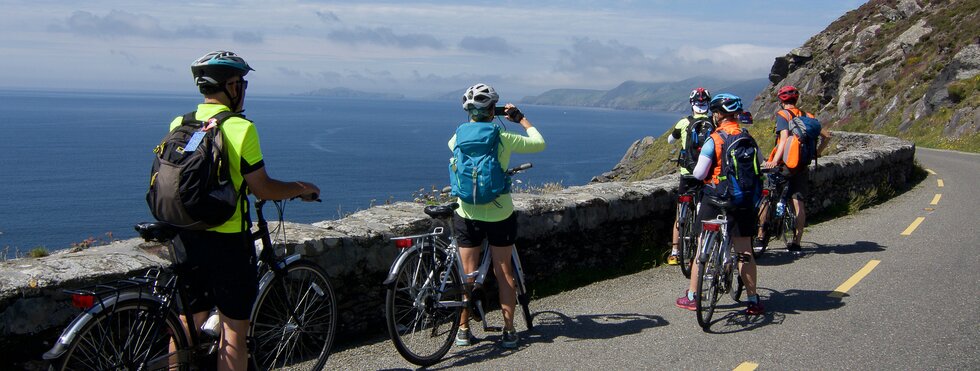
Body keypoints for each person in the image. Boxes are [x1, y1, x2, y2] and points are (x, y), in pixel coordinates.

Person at [174, 50, 320, 371]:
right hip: (227, 240)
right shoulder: (240, 128)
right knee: (233, 330)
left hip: (185, 234)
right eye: (241, 82)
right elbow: (262, 188)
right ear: (231, 86)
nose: (243, 88)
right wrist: (300, 188)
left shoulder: (181, 122)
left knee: (187, 321)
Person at [450, 83, 545, 349]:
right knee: (504, 272)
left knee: (467, 274)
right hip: (499, 212)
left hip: (465, 210)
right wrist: (520, 119)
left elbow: (453, 149)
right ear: (494, 110)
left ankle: (463, 330)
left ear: (469, 112)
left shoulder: (457, 136)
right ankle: (509, 330)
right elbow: (539, 143)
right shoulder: (503, 137)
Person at [675, 93, 764, 315]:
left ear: (717, 115)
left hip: (714, 200)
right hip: (742, 201)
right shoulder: (747, 137)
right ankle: (752, 300)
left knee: (700, 246)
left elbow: (698, 173)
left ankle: (692, 296)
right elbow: (760, 164)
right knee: (745, 252)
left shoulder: (714, 139)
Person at [757, 85, 831, 252]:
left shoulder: (783, 115)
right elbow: (827, 136)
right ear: (796, 99)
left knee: (766, 196)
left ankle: (761, 237)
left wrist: (773, 161)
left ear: (781, 101)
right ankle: (796, 242)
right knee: (798, 203)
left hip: (785, 165)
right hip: (801, 166)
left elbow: (783, 140)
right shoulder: (809, 116)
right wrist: (816, 153)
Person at [666, 87, 713, 265]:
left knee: (680, 213)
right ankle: (702, 250)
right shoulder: (713, 122)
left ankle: (675, 252)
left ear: (692, 104)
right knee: (705, 210)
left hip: (687, 172)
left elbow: (670, 139)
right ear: (708, 104)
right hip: (706, 173)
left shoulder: (684, 122)